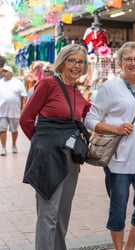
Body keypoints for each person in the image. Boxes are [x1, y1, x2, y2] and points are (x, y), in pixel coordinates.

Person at [84, 41, 135, 250]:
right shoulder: (109, 87)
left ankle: (129, 245)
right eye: (128, 59)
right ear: (120, 62)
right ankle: (118, 248)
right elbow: (90, 120)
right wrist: (115, 129)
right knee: (119, 205)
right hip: (119, 156)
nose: (133, 63)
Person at [19, 44, 91, 250]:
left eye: (80, 62)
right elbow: (26, 118)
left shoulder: (77, 92)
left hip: (70, 159)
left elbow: (92, 114)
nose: (76, 65)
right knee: (48, 214)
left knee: (62, 215)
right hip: (49, 159)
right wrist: (42, 145)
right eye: (72, 60)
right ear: (62, 61)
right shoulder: (48, 84)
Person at [0, 65, 27, 156]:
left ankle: (14, 144)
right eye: (3, 72)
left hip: (14, 111)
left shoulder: (18, 82)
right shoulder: (0, 82)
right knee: (2, 129)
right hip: (2, 111)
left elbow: (24, 96)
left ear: (11, 72)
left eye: (6, 71)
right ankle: (3, 148)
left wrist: (23, 107)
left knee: (14, 130)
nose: (4, 73)